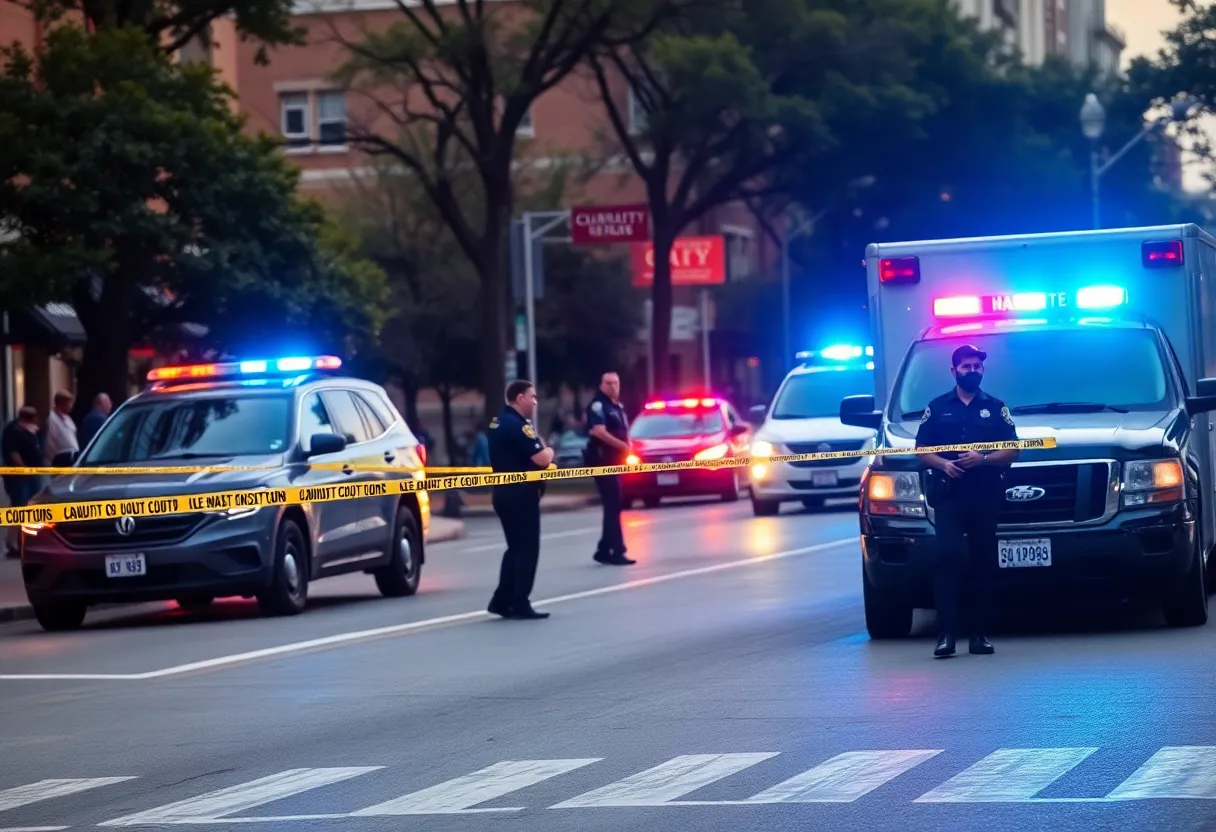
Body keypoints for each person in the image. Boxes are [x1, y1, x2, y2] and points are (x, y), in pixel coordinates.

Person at [915, 344, 1020, 658]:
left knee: (982, 563)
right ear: (954, 371)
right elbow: (921, 449)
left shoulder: (996, 407)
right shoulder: (937, 407)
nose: (972, 370)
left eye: (977, 366)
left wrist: (984, 458)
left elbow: (1014, 450)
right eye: (966, 366)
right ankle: (946, 635)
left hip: (984, 494)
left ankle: (979, 635)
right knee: (947, 559)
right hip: (949, 495)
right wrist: (943, 464)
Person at [487, 379, 554, 620]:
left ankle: (501, 600)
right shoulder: (518, 426)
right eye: (533, 396)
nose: (535, 402)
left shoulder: (498, 422)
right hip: (521, 494)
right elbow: (543, 458)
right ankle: (519, 602)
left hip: (503, 493)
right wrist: (549, 450)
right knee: (527, 549)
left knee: (515, 548)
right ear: (520, 398)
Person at [584, 371, 635, 566]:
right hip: (603, 463)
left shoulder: (617, 407)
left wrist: (627, 446)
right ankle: (617, 550)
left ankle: (604, 549)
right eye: (608, 383)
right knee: (613, 505)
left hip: (616, 463)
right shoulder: (598, 406)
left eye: (615, 383)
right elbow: (599, 431)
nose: (613, 387)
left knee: (614, 506)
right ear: (601, 385)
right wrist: (622, 446)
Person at [3, 406, 43, 556]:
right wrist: (24, 469)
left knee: (27, 507)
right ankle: (12, 543)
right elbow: (14, 454)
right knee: (19, 507)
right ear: (26, 419)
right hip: (19, 477)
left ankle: (23, 541)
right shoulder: (12, 431)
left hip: (31, 475)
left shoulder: (29, 430)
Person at [44, 390, 78, 464]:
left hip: (71, 460)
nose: (71, 406)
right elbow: (50, 444)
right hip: (60, 462)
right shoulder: (51, 419)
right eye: (69, 403)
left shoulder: (68, 418)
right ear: (61, 404)